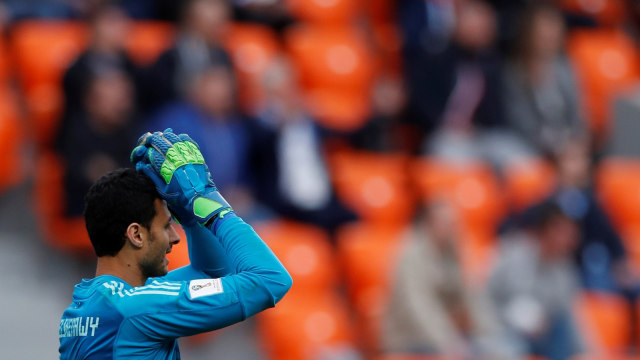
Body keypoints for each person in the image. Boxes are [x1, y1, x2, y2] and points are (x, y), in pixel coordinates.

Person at [58, 129, 292, 358]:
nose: (174, 237)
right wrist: (207, 203)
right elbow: (271, 280)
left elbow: (212, 276)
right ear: (136, 235)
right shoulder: (138, 307)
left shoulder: (83, 308)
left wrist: (190, 218)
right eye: (165, 226)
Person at [382, 200, 517, 359]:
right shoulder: (411, 255)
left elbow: (472, 294)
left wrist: (489, 332)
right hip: (412, 338)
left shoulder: (454, 250)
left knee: (503, 351)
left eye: (455, 223)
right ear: (428, 224)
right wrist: (448, 341)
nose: (453, 228)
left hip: (451, 336)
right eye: (447, 223)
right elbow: (420, 307)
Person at [489, 201, 584, 360]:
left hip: (545, 338)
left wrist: (588, 352)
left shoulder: (565, 268)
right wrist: (514, 317)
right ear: (545, 230)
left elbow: (570, 315)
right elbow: (484, 299)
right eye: (562, 231)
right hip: (505, 331)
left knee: (563, 326)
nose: (569, 239)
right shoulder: (512, 253)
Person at [502, 1, 585, 157]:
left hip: (569, 146)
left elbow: (577, 117)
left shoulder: (566, 68)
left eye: (554, 30)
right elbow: (523, 125)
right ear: (530, 34)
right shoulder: (515, 72)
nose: (550, 36)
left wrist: (576, 145)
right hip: (531, 146)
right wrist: (558, 148)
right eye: (544, 32)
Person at [58, 69, 140, 216]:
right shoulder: (75, 134)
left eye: (125, 100)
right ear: (91, 102)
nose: (123, 107)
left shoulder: (131, 130)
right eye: (115, 101)